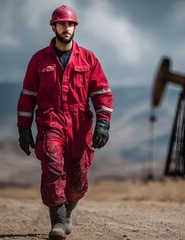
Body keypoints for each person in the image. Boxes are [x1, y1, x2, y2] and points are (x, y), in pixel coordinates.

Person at [16, 5, 113, 240]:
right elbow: (28, 95)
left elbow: (102, 93)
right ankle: (58, 222)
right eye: (62, 24)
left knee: (78, 179)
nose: (66, 28)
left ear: (75, 28)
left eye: (70, 24)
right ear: (53, 27)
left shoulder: (88, 58)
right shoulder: (39, 59)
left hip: (79, 123)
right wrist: (23, 127)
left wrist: (103, 123)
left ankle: (68, 210)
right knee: (51, 166)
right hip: (50, 121)